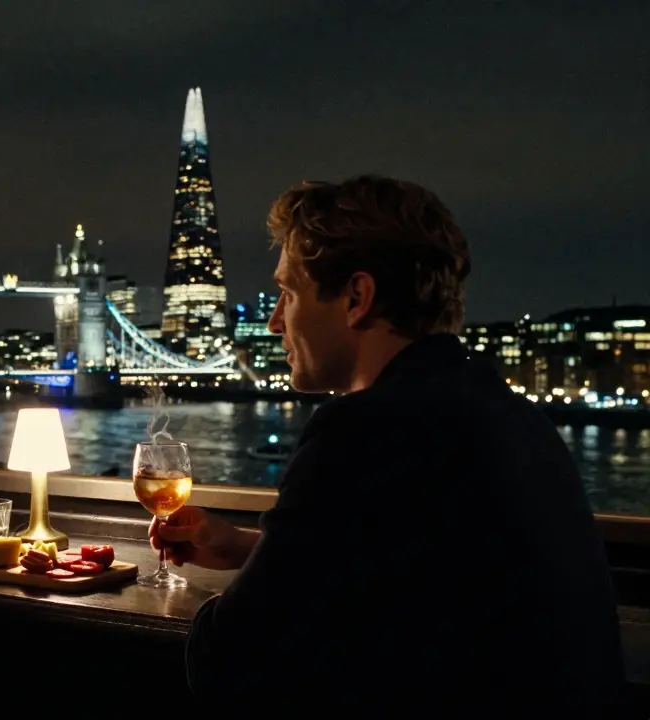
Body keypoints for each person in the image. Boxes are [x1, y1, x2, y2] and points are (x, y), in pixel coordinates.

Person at [152, 176, 625, 717]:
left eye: (289, 293)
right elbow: (416, 571)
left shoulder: (363, 433)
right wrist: (250, 548)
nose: (274, 320)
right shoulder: (505, 412)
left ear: (357, 297)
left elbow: (230, 663)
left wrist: (223, 606)